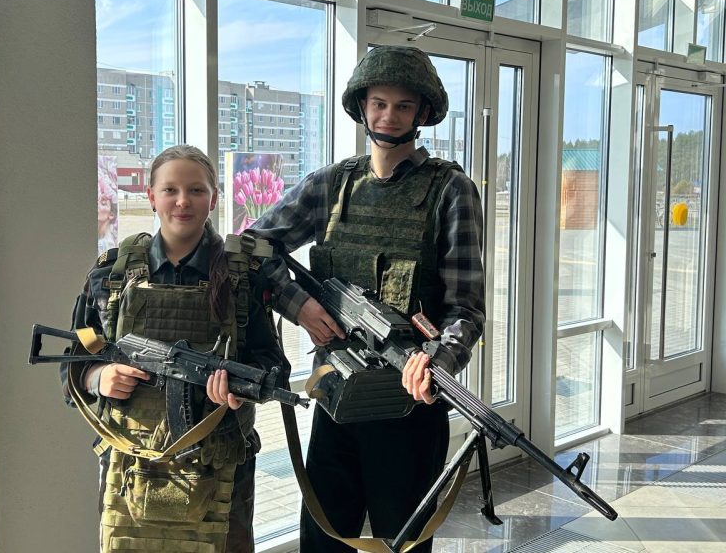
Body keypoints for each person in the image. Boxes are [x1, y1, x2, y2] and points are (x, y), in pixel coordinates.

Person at [249, 45, 486, 552]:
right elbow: (252, 248)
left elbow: (466, 308)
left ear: (422, 112)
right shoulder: (331, 186)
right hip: (336, 398)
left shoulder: (451, 190)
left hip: (409, 407)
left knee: (402, 544)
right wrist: (299, 306)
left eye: (403, 105)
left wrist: (437, 360)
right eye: (379, 103)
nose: (389, 116)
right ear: (362, 106)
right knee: (323, 541)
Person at [61, 145, 286, 553]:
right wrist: (99, 377)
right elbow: (75, 361)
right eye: (170, 190)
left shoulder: (243, 277)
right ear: (151, 196)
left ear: (213, 199)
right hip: (131, 463)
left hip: (220, 465)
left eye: (196, 190)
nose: (183, 201)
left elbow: (273, 365)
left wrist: (238, 390)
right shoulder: (110, 274)